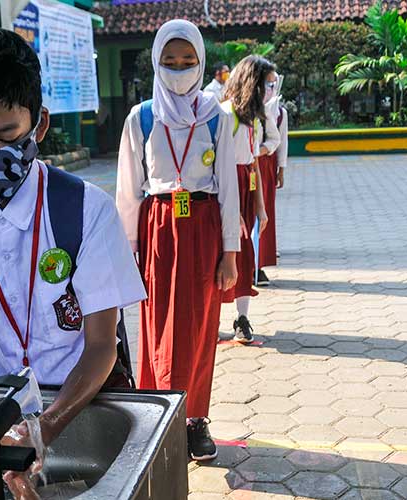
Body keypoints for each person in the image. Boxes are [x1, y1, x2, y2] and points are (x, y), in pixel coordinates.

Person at [0, 27, 146, 496]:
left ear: (39, 124)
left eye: (5, 135)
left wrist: (44, 427)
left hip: (82, 398)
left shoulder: (85, 210)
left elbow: (101, 344)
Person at [116, 19, 240, 461]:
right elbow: (129, 192)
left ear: (202, 62)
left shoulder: (217, 117)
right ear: (155, 63)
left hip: (203, 224)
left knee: (202, 326)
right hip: (157, 228)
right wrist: (126, 255)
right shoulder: (142, 117)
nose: (180, 69)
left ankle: (195, 419)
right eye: (170, 61)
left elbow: (228, 187)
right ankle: (157, 415)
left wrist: (231, 253)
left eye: (188, 61)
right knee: (157, 326)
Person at [220, 55, 280, 343]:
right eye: (267, 84)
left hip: (246, 188)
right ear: (251, 84)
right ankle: (209, 323)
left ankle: (242, 319)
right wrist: (233, 211)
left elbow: (253, 162)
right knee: (220, 257)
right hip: (226, 190)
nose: (271, 90)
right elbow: (218, 168)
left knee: (245, 257)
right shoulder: (224, 115)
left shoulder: (254, 119)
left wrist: (260, 208)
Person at [257, 72, 288, 284]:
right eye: (265, 84)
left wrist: (281, 168)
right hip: (242, 165)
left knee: (264, 211)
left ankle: (259, 263)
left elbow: (280, 140)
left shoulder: (278, 112)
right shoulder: (239, 109)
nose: (269, 88)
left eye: (272, 84)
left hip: (265, 163)